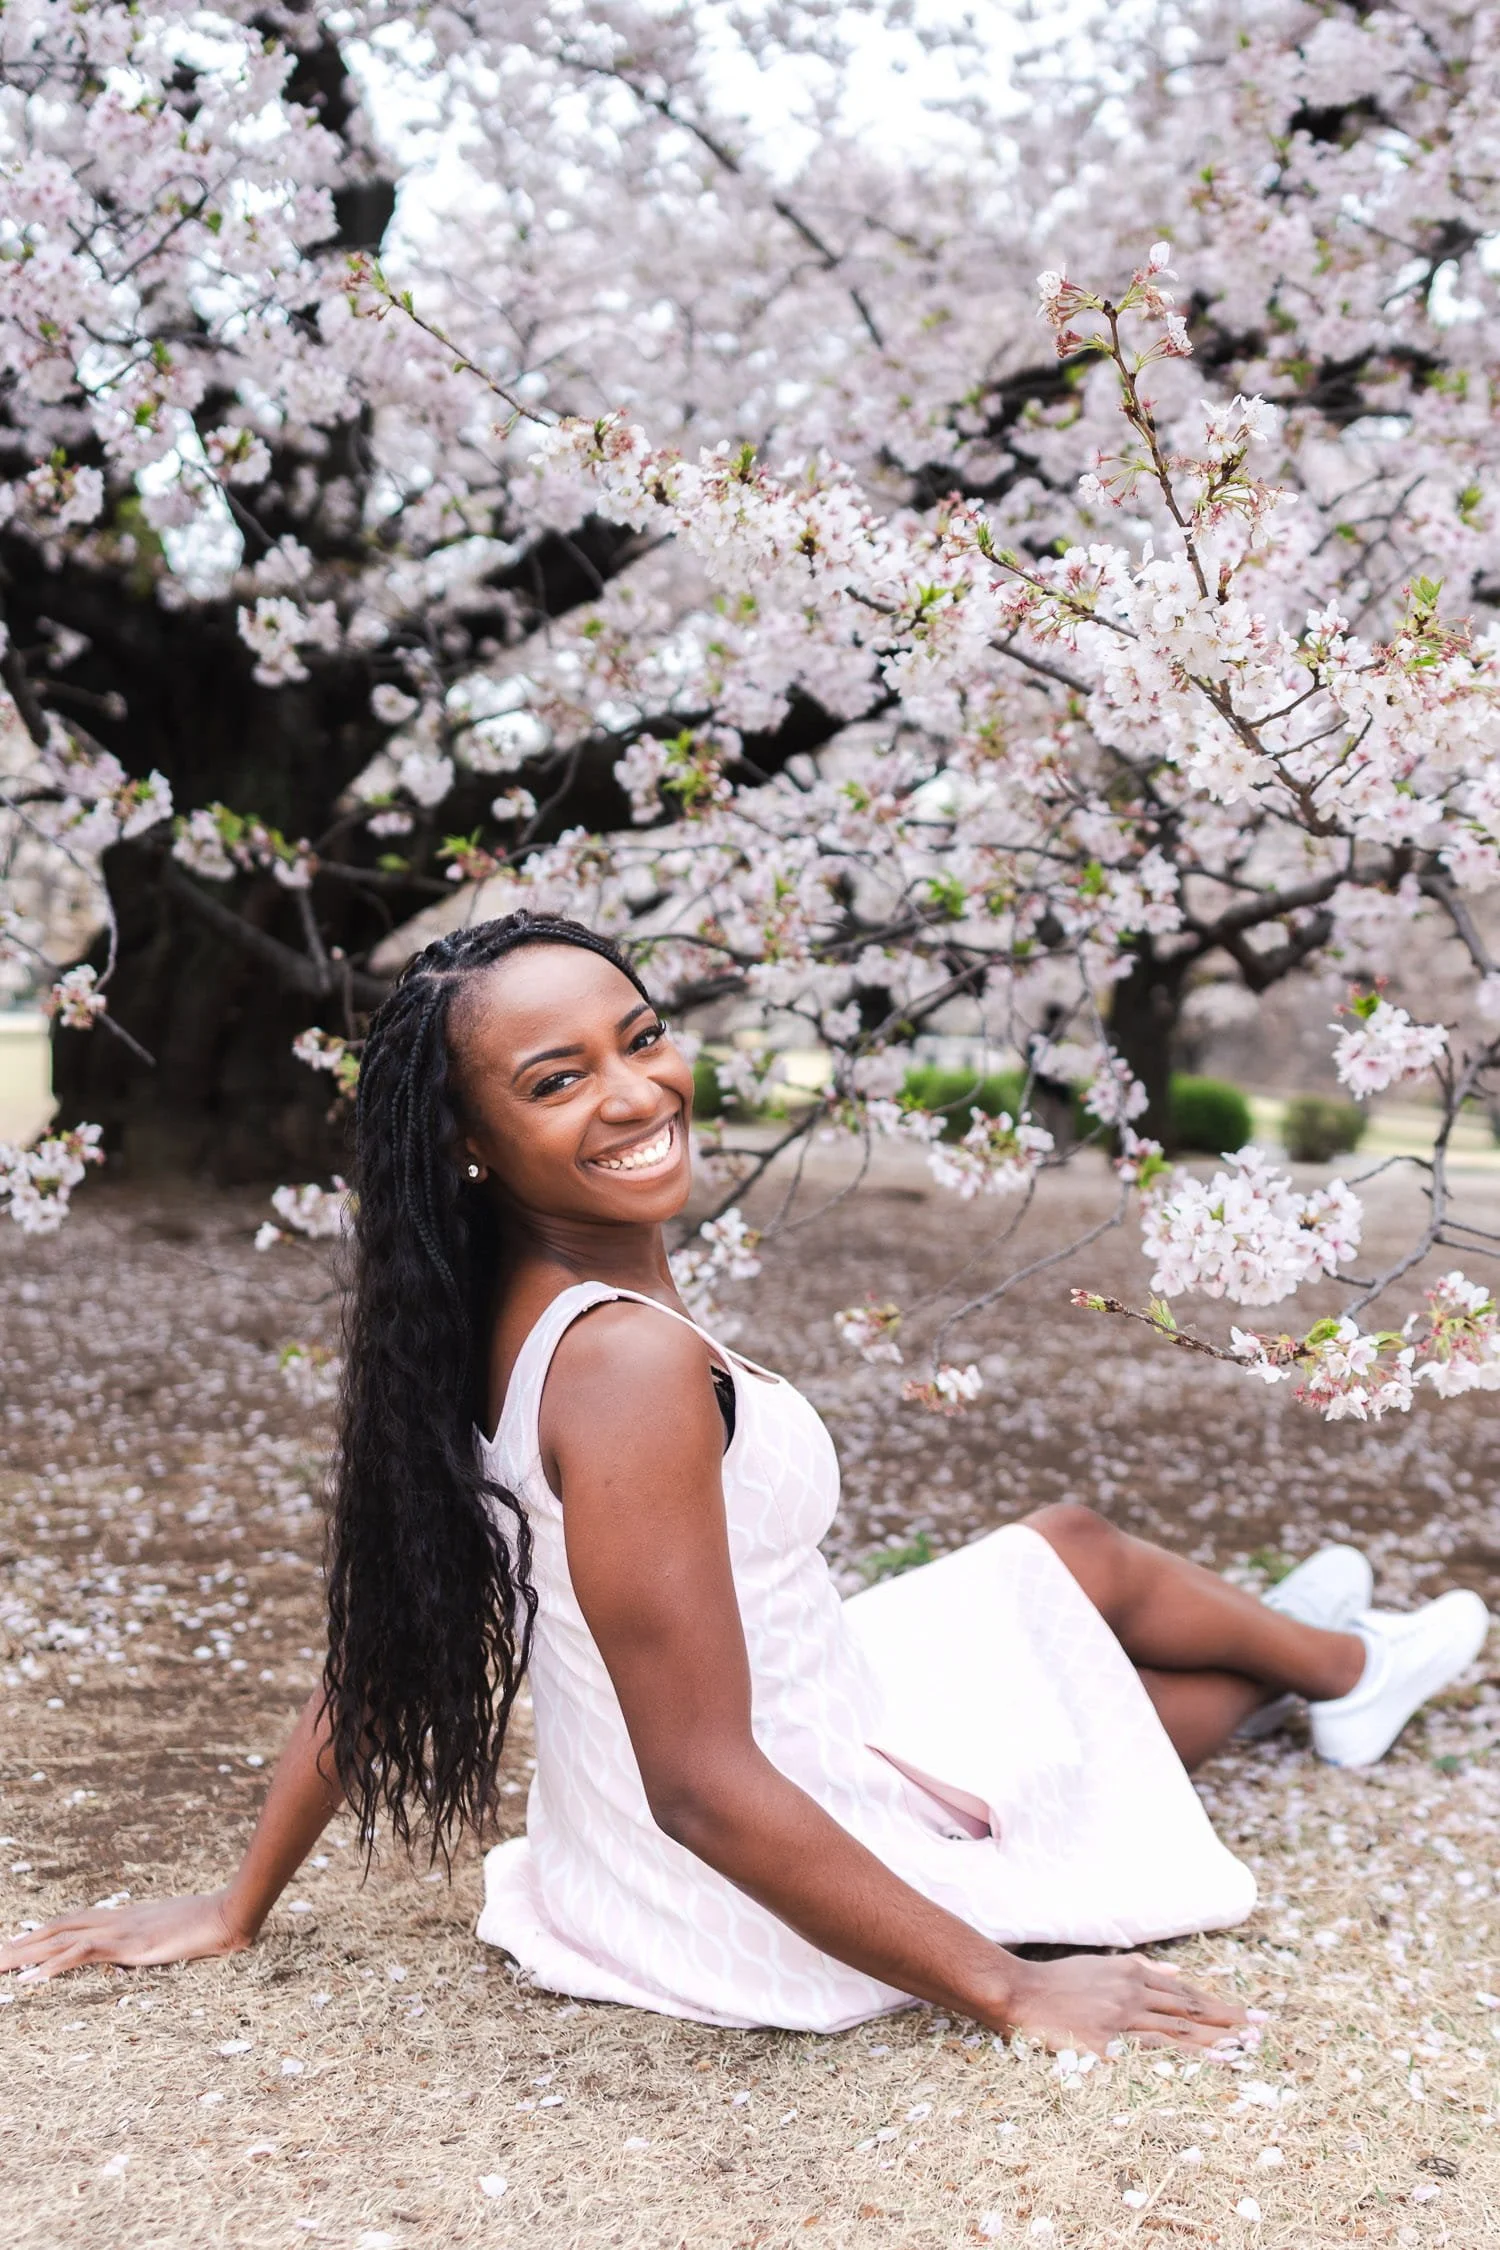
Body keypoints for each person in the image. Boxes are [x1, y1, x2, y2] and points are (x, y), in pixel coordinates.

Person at [2, 914, 1488, 2052]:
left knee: (1064, 1548)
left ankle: (1330, 1650)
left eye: (640, 1035)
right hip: (740, 1875)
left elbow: (390, 1638)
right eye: (556, 1078)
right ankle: (1337, 1672)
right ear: (468, 1140)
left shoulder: (465, 1316)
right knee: (1109, 1736)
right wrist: (1008, 1992)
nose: (639, 1089)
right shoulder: (626, 1368)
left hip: (665, 1813)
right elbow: (705, 1783)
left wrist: (235, 1901)